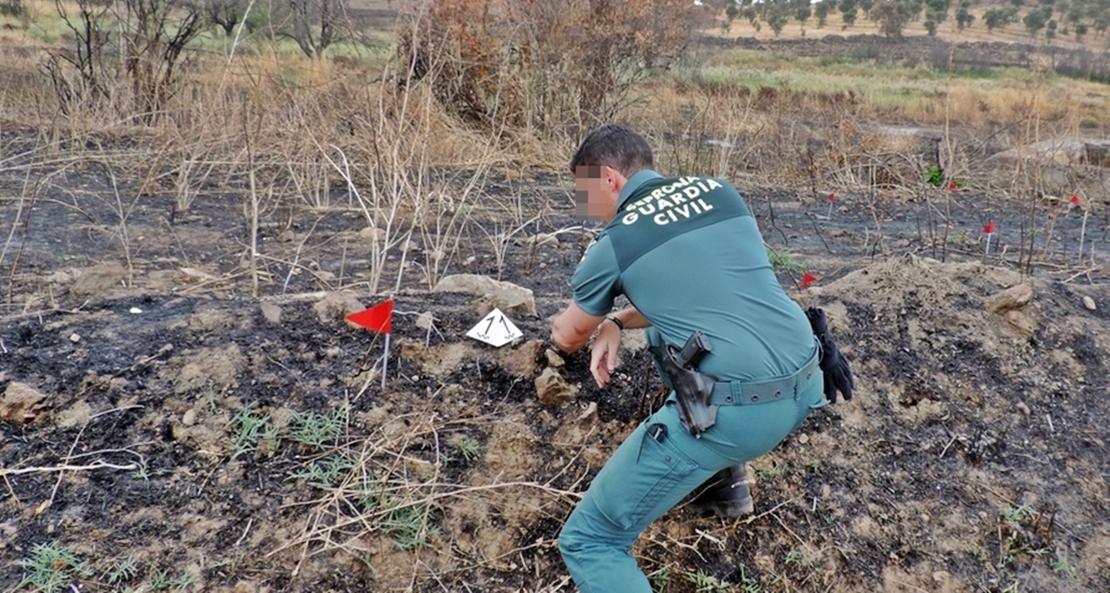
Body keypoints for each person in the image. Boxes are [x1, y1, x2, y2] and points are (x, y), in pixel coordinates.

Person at [549, 124, 853, 593]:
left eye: (585, 193)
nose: (587, 209)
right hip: (810, 378)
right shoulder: (721, 192)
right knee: (666, 332)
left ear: (608, 178)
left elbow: (568, 336)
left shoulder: (614, 243)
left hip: (740, 412)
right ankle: (726, 484)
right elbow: (692, 292)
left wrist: (590, 321)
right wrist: (616, 323)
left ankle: (715, 457)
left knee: (591, 540)